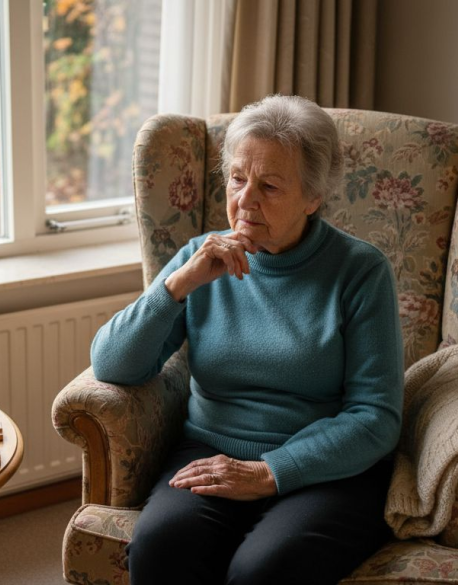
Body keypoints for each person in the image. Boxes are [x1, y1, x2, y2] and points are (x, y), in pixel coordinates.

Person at [90, 95, 404, 584]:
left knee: (262, 571)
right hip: (209, 452)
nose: (245, 200)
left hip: (325, 467)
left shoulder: (359, 272)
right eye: (238, 178)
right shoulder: (202, 257)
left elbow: (376, 416)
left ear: (313, 197)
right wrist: (179, 284)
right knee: (159, 547)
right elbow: (112, 364)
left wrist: (269, 472)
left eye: (270, 185)